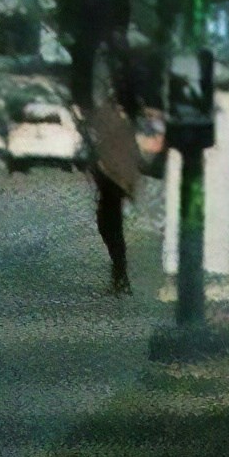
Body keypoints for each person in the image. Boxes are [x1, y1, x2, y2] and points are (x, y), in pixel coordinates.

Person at [80, 56, 143, 302]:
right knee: (109, 226)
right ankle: (120, 277)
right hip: (111, 177)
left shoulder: (117, 114)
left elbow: (115, 145)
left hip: (112, 179)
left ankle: (121, 278)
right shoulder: (117, 113)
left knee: (110, 226)